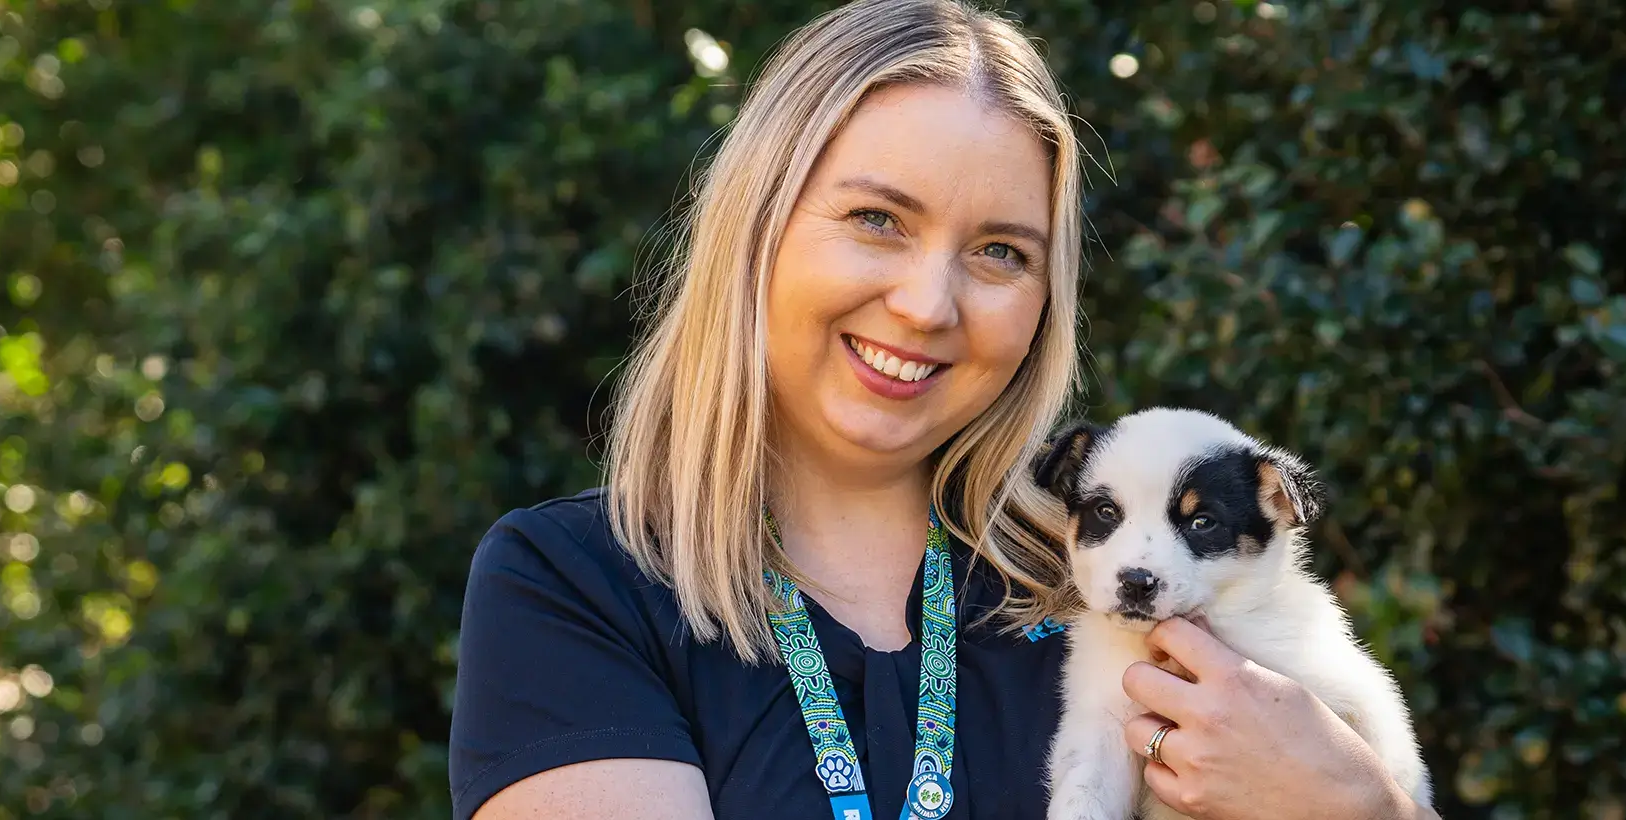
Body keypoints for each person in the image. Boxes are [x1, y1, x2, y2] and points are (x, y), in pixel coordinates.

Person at [447, 1, 1438, 818]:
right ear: (755, 231)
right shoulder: (579, 588)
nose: (929, 304)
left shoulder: (1105, 593)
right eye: (877, 219)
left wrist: (1359, 806)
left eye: (1000, 251)